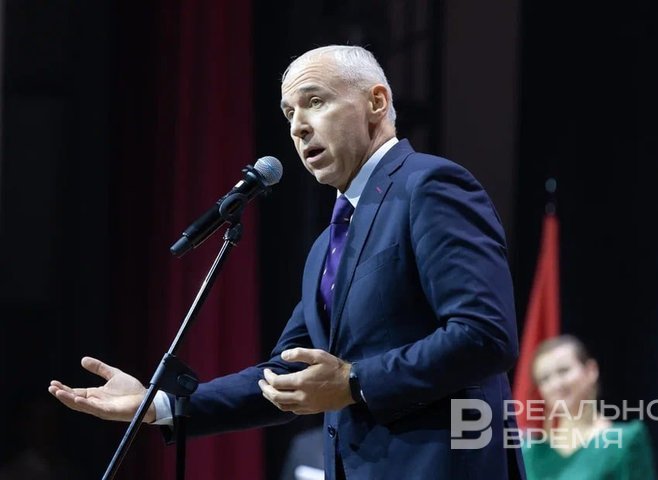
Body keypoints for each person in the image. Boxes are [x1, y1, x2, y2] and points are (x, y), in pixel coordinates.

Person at [48, 45, 525, 479]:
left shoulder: (430, 186)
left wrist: (354, 382)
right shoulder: (326, 246)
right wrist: (159, 405)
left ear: (377, 102)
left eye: (315, 102)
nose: (298, 127)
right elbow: (283, 376)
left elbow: (485, 334)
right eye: (289, 113)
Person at [521, 335, 657, 479]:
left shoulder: (624, 441)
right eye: (545, 379)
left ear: (591, 371)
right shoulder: (529, 453)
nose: (556, 385)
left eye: (563, 371)